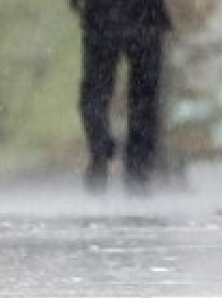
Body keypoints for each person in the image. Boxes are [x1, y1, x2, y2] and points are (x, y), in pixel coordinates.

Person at [71, 0, 171, 196]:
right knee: (144, 97)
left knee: (96, 91)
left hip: (102, 14)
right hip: (145, 15)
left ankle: (100, 150)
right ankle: (137, 170)